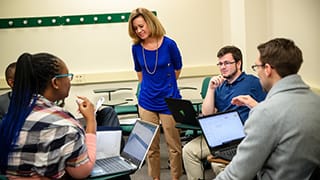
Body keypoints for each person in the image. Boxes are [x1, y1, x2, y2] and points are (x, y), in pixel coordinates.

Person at [214, 38, 320, 180]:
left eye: (257, 67)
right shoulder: (315, 101)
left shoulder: (265, 113)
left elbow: (236, 175)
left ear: (268, 69)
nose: (257, 73)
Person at [0, 53, 97, 179]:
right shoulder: (64, 125)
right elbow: (82, 172)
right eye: (67, 76)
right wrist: (91, 120)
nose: (69, 81)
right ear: (55, 82)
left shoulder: (12, 116)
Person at [182, 45, 266, 180]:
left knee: (217, 164)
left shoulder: (253, 83)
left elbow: (266, 111)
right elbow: (207, 114)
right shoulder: (220, 85)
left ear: (238, 63)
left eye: (227, 63)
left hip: (241, 137)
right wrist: (211, 89)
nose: (222, 67)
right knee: (188, 151)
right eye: (220, 64)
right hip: (219, 135)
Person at [128, 7, 183, 180]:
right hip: (146, 102)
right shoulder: (136, 48)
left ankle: (175, 177)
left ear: (150, 23)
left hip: (169, 101)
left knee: (173, 146)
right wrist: (148, 88)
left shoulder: (169, 44)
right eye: (136, 28)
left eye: (141, 26)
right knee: (151, 148)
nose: (139, 31)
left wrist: (165, 86)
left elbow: (178, 68)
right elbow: (140, 73)